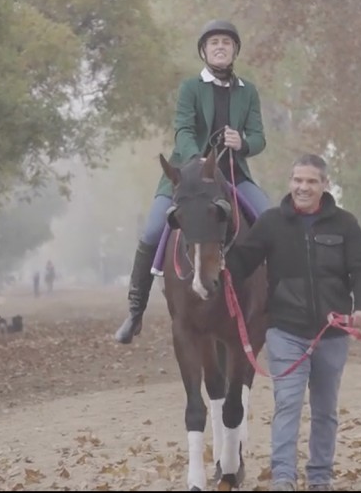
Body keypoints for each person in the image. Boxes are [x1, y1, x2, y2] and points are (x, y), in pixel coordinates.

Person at [225, 153, 361, 491]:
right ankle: (283, 477)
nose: (303, 187)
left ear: (324, 185)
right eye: (298, 180)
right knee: (288, 406)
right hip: (286, 333)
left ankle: (320, 477)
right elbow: (240, 263)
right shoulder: (270, 223)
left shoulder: (345, 224)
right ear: (290, 182)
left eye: (311, 181)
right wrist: (215, 258)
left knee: (325, 410)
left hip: (333, 334)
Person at [115, 19, 271, 344]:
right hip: (187, 176)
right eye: (213, 42)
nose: (219, 47)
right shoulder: (190, 88)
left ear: (234, 51)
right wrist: (196, 159)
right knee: (153, 230)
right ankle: (135, 312)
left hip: (231, 175)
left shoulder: (249, 91)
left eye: (226, 43)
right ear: (203, 50)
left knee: (271, 222)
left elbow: (259, 137)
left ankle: (280, 308)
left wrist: (242, 142)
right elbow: (183, 130)